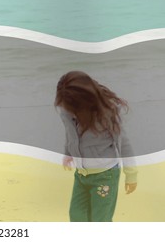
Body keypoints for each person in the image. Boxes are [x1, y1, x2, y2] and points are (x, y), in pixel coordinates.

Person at [55, 71, 138, 222]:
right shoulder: (65, 109)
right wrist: (68, 152)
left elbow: (123, 143)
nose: (68, 109)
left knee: (100, 219)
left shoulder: (105, 114)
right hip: (81, 175)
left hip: (105, 175)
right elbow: (70, 134)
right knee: (77, 217)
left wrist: (131, 173)